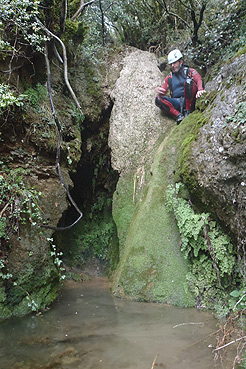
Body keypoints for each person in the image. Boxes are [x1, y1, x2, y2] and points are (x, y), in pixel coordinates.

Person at [155, 49, 206, 124]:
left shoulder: (189, 71)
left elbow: (198, 79)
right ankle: (179, 115)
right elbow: (163, 90)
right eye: (171, 64)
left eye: (175, 63)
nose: (173, 65)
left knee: (189, 82)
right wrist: (159, 91)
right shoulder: (169, 77)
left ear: (181, 62)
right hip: (176, 102)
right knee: (158, 99)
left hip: (190, 100)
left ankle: (188, 111)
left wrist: (200, 89)